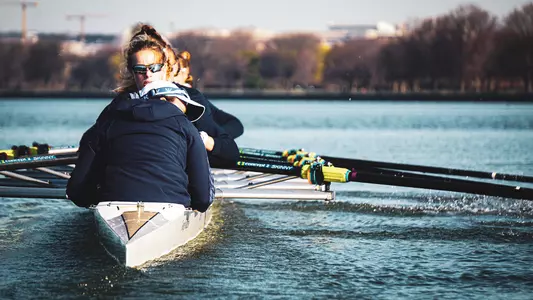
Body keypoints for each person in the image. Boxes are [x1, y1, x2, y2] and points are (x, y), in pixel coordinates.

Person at [66, 25, 214, 212]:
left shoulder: (112, 117)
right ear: (131, 71)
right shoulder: (184, 121)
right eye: (140, 69)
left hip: (115, 204)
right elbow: (203, 200)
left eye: (154, 68)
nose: (148, 74)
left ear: (165, 68)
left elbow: (76, 191)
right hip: (170, 202)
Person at [174, 50, 244, 139]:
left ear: (186, 75)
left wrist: (213, 141)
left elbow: (235, 125)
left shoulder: (194, 98)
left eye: (177, 72)